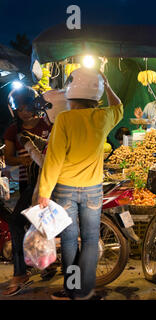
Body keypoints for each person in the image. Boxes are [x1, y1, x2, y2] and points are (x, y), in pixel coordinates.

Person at [38, 68, 123, 300]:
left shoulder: (64, 119)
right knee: (90, 240)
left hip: (64, 188)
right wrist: (107, 85)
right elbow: (119, 107)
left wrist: (44, 192)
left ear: (70, 96)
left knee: (68, 239)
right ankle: (84, 290)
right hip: (93, 189)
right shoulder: (103, 117)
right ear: (94, 96)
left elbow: (54, 159)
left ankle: (72, 288)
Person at [1, 86, 52, 296]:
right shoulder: (14, 131)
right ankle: (41, 264)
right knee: (27, 223)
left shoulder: (46, 124)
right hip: (26, 183)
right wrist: (25, 158)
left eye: (28, 107)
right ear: (15, 110)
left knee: (27, 223)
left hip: (46, 181)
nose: (25, 112)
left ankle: (23, 272)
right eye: (20, 108)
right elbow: (9, 157)